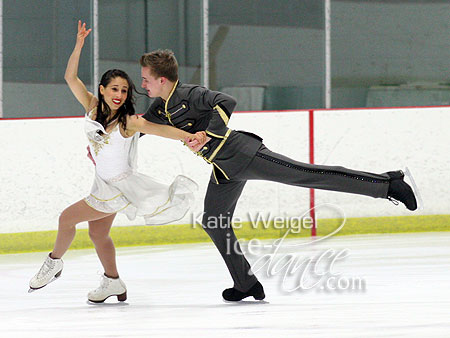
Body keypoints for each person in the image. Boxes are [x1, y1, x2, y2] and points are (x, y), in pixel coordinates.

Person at [139, 49, 418, 302]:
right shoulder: (160, 107)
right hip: (224, 168)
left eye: (146, 80)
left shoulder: (190, 93)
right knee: (214, 221)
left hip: (244, 154)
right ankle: (246, 283)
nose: (143, 85)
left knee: (306, 174)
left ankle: (387, 184)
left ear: (162, 79)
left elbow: (226, 101)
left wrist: (208, 133)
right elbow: (138, 127)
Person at [28, 22, 205, 303]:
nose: (119, 95)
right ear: (102, 89)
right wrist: (78, 45)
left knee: (66, 219)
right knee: (98, 234)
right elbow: (70, 77)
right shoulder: (91, 106)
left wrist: (188, 136)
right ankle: (113, 282)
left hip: (115, 188)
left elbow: (161, 130)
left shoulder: (129, 122)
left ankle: (54, 262)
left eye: (124, 90)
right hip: (103, 181)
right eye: (114, 89)